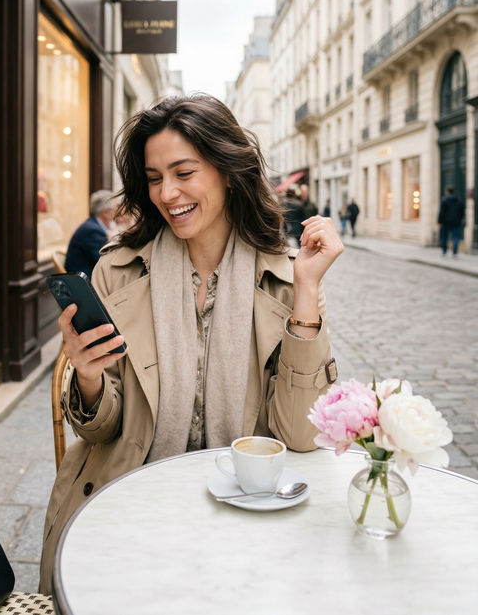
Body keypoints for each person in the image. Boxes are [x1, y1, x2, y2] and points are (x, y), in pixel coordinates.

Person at [39, 94, 343, 593]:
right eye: (154, 178)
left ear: (226, 171)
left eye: (183, 172)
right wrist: (89, 378)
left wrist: (307, 292)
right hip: (129, 499)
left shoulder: (288, 280)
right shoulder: (116, 271)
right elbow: (101, 432)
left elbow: (300, 435)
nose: (167, 193)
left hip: (248, 511)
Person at [65, 190, 117, 278]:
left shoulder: (93, 226)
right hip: (83, 285)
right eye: (115, 209)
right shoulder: (92, 230)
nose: (117, 213)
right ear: (105, 212)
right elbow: (105, 263)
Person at [438, 185, 465, 258]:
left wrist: (439, 221)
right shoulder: (459, 199)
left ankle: (444, 252)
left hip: (445, 221)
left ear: (447, 191)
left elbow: (441, 212)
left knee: (444, 237)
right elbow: (462, 211)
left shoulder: (444, 199)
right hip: (456, 221)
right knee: (455, 237)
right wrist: (460, 218)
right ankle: (455, 253)